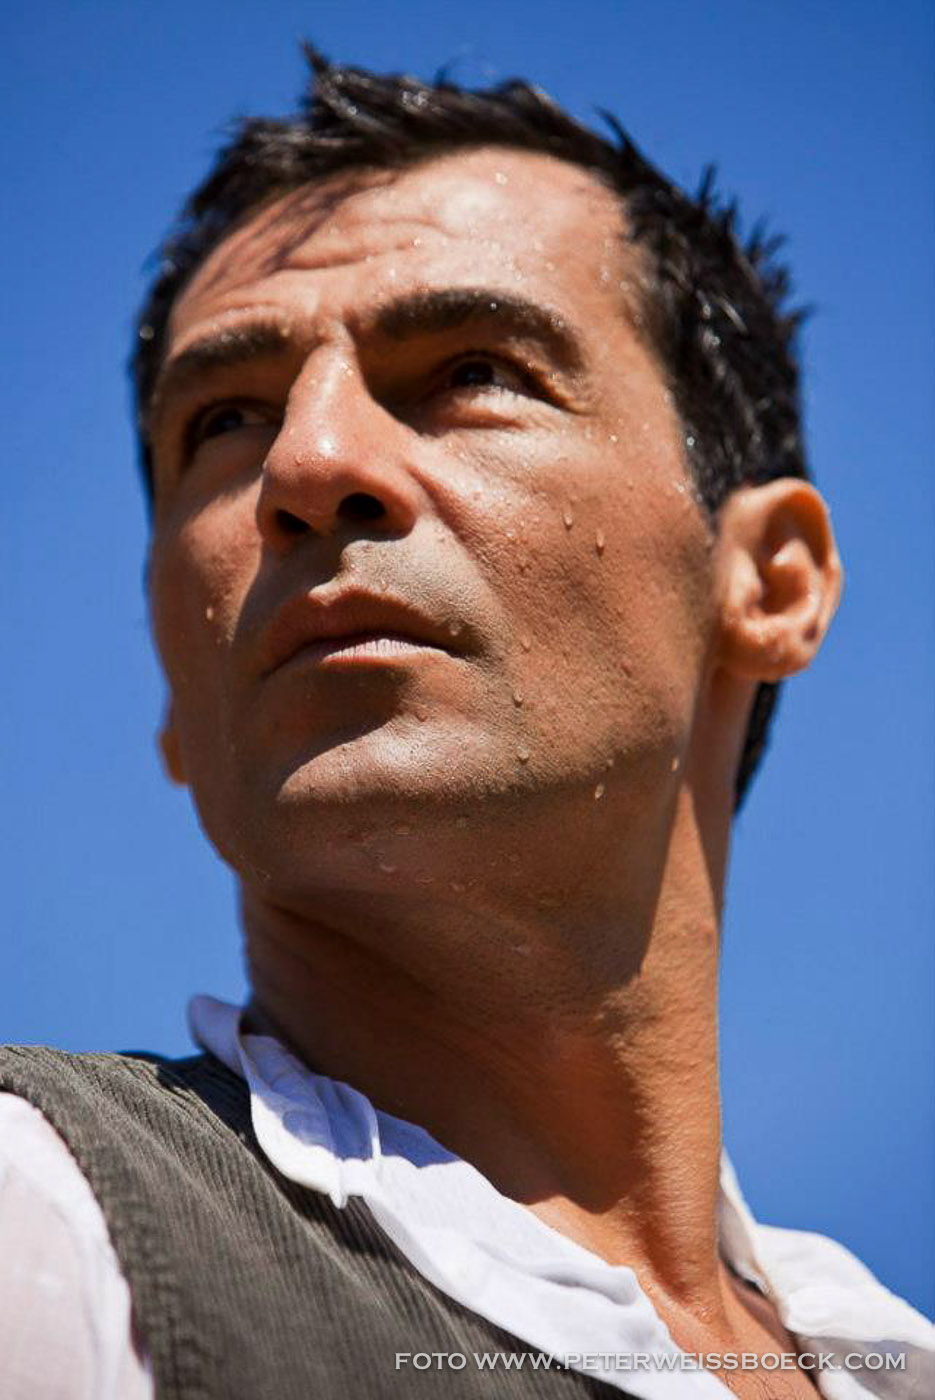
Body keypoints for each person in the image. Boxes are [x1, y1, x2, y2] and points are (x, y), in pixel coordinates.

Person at [0, 46, 931, 1400]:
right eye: (226, 419)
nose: (308, 463)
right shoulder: (45, 1230)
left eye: (473, 371)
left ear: (769, 582)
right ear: (173, 696)